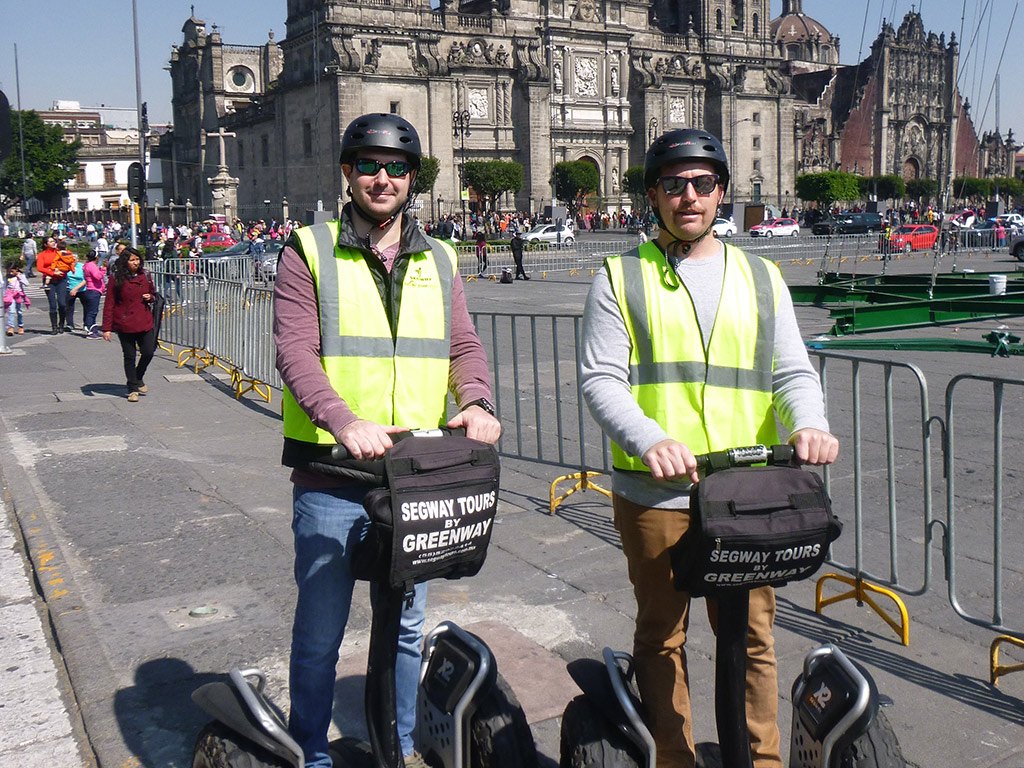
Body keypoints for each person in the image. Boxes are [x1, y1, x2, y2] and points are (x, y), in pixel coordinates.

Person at [579, 128, 839, 768]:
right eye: (673, 184)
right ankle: (675, 758)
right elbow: (601, 379)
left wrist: (808, 423)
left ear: (721, 191)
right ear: (653, 195)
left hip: (747, 496)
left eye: (702, 183)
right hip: (658, 492)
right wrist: (650, 439)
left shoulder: (762, 276)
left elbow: (791, 372)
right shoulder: (621, 276)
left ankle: (763, 761)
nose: (688, 196)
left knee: (752, 636)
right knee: (662, 634)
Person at [273, 112, 502, 768]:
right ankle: (312, 752)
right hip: (333, 476)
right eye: (369, 165)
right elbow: (295, 350)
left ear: (412, 179)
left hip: (414, 477)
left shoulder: (441, 257)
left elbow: (462, 345)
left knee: (405, 630)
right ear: (348, 173)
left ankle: (397, 750)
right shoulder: (308, 249)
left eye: (396, 167)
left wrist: (477, 402)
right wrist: (343, 420)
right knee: (321, 634)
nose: (382, 178)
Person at [101, 247, 156, 402]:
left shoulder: (145, 275)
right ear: (125, 262)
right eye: (132, 260)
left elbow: (153, 293)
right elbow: (109, 303)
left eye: (137, 259)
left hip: (144, 320)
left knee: (148, 351)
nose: (136, 263)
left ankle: (138, 376)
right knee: (129, 356)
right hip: (125, 322)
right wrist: (106, 328)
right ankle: (132, 389)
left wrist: (150, 297)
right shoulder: (116, 278)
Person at [36, 235, 76, 334]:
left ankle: (61, 324)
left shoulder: (60, 252)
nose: (53, 243)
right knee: (52, 304)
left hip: (61, 279)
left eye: (54, 241)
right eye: (50, 242)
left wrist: (67, 270)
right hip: (49, 280)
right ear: (45, 244)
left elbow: (69, 260)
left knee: (62, 303)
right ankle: (54, 327)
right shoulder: (42, 254)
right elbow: (40, 268)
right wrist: (52, 273)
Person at [80, 251, 107, 338]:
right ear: (96, 257)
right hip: (93, 291)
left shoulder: (88, 265)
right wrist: (103, 269)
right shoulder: (91, 266)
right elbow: (97, 276)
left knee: (92, 311)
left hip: (92, 290)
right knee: (92, 312)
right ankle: (90, 330)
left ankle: (93, 329)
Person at [4, 264, 30, 335]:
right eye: (9, 271)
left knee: (19, 311)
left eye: (12, 271)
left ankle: (20, 326)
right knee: (11, 311)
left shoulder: (21, 275)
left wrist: (20, 278)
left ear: (16, 269)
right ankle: (11, 327)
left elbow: (27, 284)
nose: (10, 273)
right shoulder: (7, 277)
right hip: (10, 295)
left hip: (19, 295)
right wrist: (4, 295)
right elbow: (5, 286)